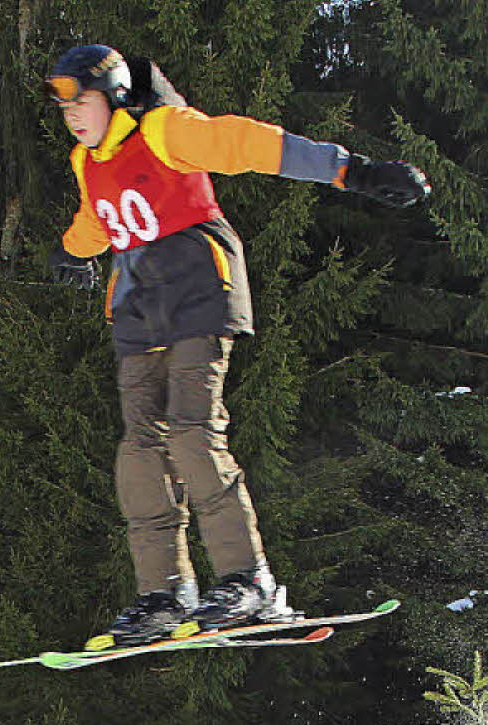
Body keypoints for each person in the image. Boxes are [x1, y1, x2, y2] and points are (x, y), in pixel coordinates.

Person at [44, 44, 430, 647]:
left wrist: (349, 170)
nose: (71, 115)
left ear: (116, 96)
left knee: (193, 431)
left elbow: (250, 144)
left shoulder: (166, 131)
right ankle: (165, 595)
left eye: (81, 101)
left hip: (199, 286)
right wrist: (73, 249)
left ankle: (249, 581)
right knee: (141, 448)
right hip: (140, 304)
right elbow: (99, 216)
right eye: (64, 105)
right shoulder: (86, 160)